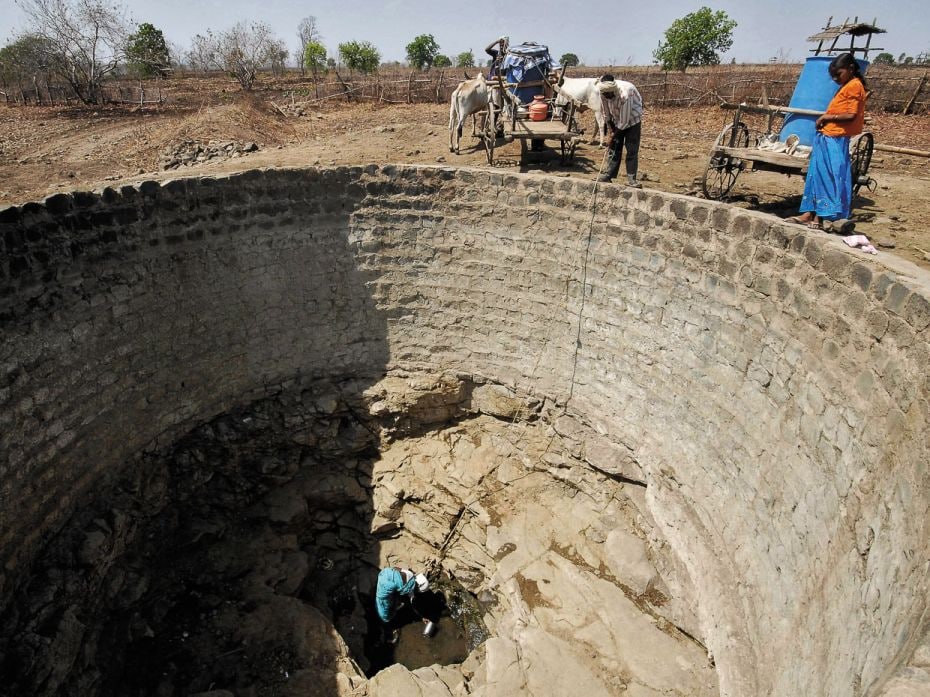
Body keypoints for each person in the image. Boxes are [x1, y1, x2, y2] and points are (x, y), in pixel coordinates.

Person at [786, 53, 866, 231]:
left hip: (835, 138)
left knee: (828, 176)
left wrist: (827, 117)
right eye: (834, 76)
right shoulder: (847, 86)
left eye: (839, 74)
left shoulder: (854, 86)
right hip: (827, 136)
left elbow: (850, 115)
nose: (836, 79)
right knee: (816, 176)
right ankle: (809, 214)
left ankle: (822, 216)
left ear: (851, 69)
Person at [596, 74, 644, 187]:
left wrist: (612, 136)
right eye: (605, 94)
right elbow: (606, 113)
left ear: (613, 90)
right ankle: (609, 175)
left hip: (632, 120)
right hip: (617, 119)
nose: (607, 96)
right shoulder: (603, 91)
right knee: (614, 147)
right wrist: (610, 127)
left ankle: (632, 179)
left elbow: (624, 122)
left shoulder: (626, 94)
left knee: (631, 149)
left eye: (609, 94)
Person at [375, 566, 429, 643]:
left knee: (393, 602)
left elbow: (396, 568)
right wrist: (421, 616)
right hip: (383, 594)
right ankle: (386, 630)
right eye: (418, 590)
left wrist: (422, 617)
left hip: (386, 572)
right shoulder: (406, 587)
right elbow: (408, 601)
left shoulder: (409, 574)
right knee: (384, 616)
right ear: (418, 587)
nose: (417, 592)